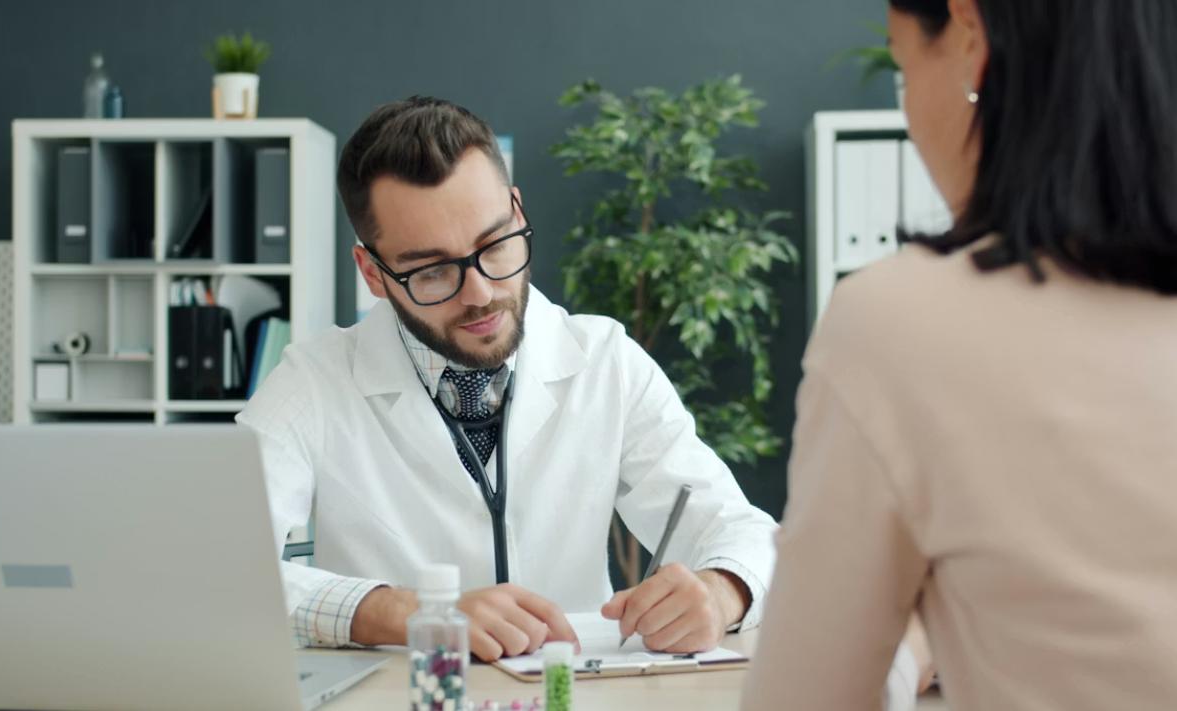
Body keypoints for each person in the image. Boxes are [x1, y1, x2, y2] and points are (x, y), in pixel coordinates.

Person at [744, 0, 1177, 709]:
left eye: (901, 67)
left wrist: (914, 641)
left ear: (969, 37)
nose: (909, 110)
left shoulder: (896, 327)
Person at [236, 96, 778, 662]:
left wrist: (722, 593)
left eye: (494, 246)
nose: (481, 294)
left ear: (517, 212)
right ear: (374, 273)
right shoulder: (314, 382)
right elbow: (213, 567)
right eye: (431, 269)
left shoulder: (605, 361)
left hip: (569, 693)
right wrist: (411, 613)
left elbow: (740, 528)